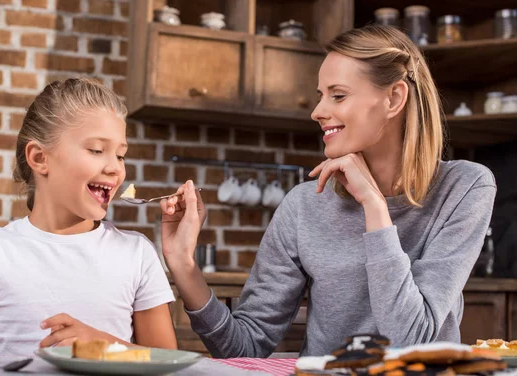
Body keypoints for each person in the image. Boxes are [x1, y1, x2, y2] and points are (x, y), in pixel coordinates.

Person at [160, 25, 497, 357]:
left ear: (394, 98)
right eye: (321, 95)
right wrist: (184, 267)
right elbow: (244, 347)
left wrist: (374, 208)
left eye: (338, 95)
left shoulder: (465, 188)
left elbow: (413, 340)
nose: (317, 112)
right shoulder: (304, 205)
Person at [0, 78, 177, 366]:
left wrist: (107, 347)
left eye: (121, 155)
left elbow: (168, 363)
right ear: (40, 157)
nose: (115, 168)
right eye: (96, 150)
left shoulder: (136, 253)